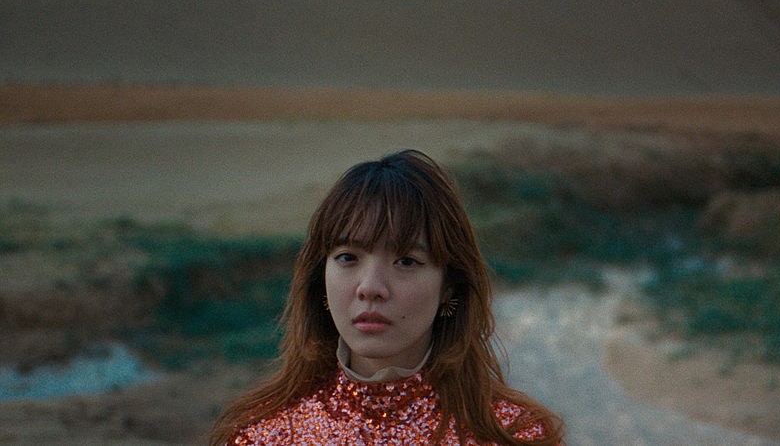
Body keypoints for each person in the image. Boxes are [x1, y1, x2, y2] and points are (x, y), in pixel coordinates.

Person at [209, 150, 564, 445]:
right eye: (348, 257)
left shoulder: (515, 435)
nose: (371, 287)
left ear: (449, 286)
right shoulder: (263, 435)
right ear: (320, 281)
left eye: (405, 261)